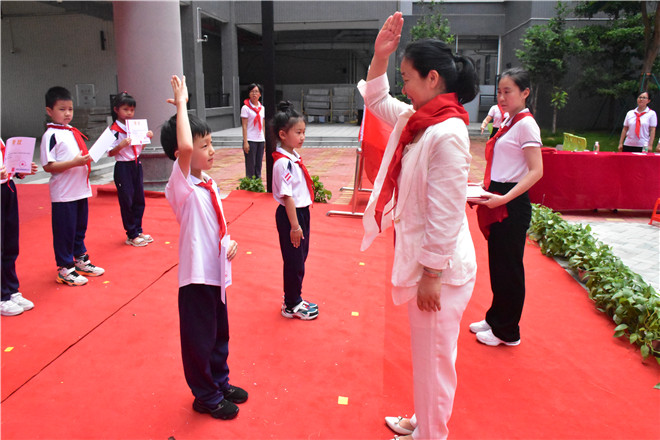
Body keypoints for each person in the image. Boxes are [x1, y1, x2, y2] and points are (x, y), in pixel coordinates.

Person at [359, 12, 478, 440]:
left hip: (440, 273)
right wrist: (380, 56)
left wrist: (431, 273)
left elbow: (447, 214)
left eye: (406, 78)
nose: (402, 87)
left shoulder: (446, 133)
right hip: (429, 265)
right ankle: (423, 421)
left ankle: (432, 434)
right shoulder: (419, 120)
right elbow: (375, 100)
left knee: (434, 361)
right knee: (427, 357)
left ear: (432, 79)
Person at [161, 75, 247, 420]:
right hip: (196, 277)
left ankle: (219, 381)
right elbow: (182, 148)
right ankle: (205, 395)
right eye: (205, 145)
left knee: (218, 333)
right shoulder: (180, 185)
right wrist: (182, 104)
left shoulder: (207, 182)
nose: (212, 151)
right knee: (198, 339)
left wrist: (229, 242)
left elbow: (215, 225)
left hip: (216, 272)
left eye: (212, 144)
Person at [470, 67, 543, 347]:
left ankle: (508, 331)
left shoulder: (526, 124)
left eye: (508, 91)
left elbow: (536, 171)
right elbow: (506, 164)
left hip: (511, 202)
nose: (501, 97)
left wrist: (503, 197)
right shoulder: (510, 121)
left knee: (509, 267)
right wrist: (485, 185)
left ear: (525, 93)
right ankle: (495, 318)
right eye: (499, 92)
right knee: (498, 265)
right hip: (498, 194)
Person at [41, 86, 105, 286]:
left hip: (79, 190)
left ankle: (79, 260)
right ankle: (64, 268)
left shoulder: (70, 132)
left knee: (79, 228)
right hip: (64, 193)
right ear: (49, 111)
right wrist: (75, 163)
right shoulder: (51, 135)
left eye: (70, 109)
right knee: (64, 231)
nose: (67, 113)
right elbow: (48, 166)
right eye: (62, 109)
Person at [272, 101, 319, 320]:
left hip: (300, 213)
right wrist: (295, 226)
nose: (302, 136)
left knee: (300, 257)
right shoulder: (283, 163)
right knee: (294, 260)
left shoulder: (293, 158)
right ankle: (291, 304)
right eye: (298, 132)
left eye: (304, 132)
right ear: (283, 134)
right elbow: (287, 196)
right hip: (292, 216)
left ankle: (295, 297)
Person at [107, 92, 154, 247]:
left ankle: (138, 230)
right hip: (123, 167)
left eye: (132, 110)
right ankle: (131, 234)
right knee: (127, 200)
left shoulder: (135, 128)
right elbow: (109, 152)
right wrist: (121, 145)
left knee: (139, 199)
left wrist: (147, 138)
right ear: (116, 109)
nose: (129, 113)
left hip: (136, 163)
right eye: (125, 109)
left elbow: (139, 148)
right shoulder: (113, 130)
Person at [1, 139, 38, 316]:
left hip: (7, 189)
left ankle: (11, 289)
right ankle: (2, 297)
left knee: (10, 244)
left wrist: (19, 170)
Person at [240, 83, 266, 179]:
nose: (254, 94)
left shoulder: (262, 108)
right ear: (249, 94)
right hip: (250, 139)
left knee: (259, 165)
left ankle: (258, 185)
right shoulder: (245, 108)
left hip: (260, 140)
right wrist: (245, 142)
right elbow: (244, 126)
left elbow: (263, 125)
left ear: (260, 94)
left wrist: (265, 139)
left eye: (256, 92)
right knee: (251, 165)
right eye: (252, 92)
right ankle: (250, 185)